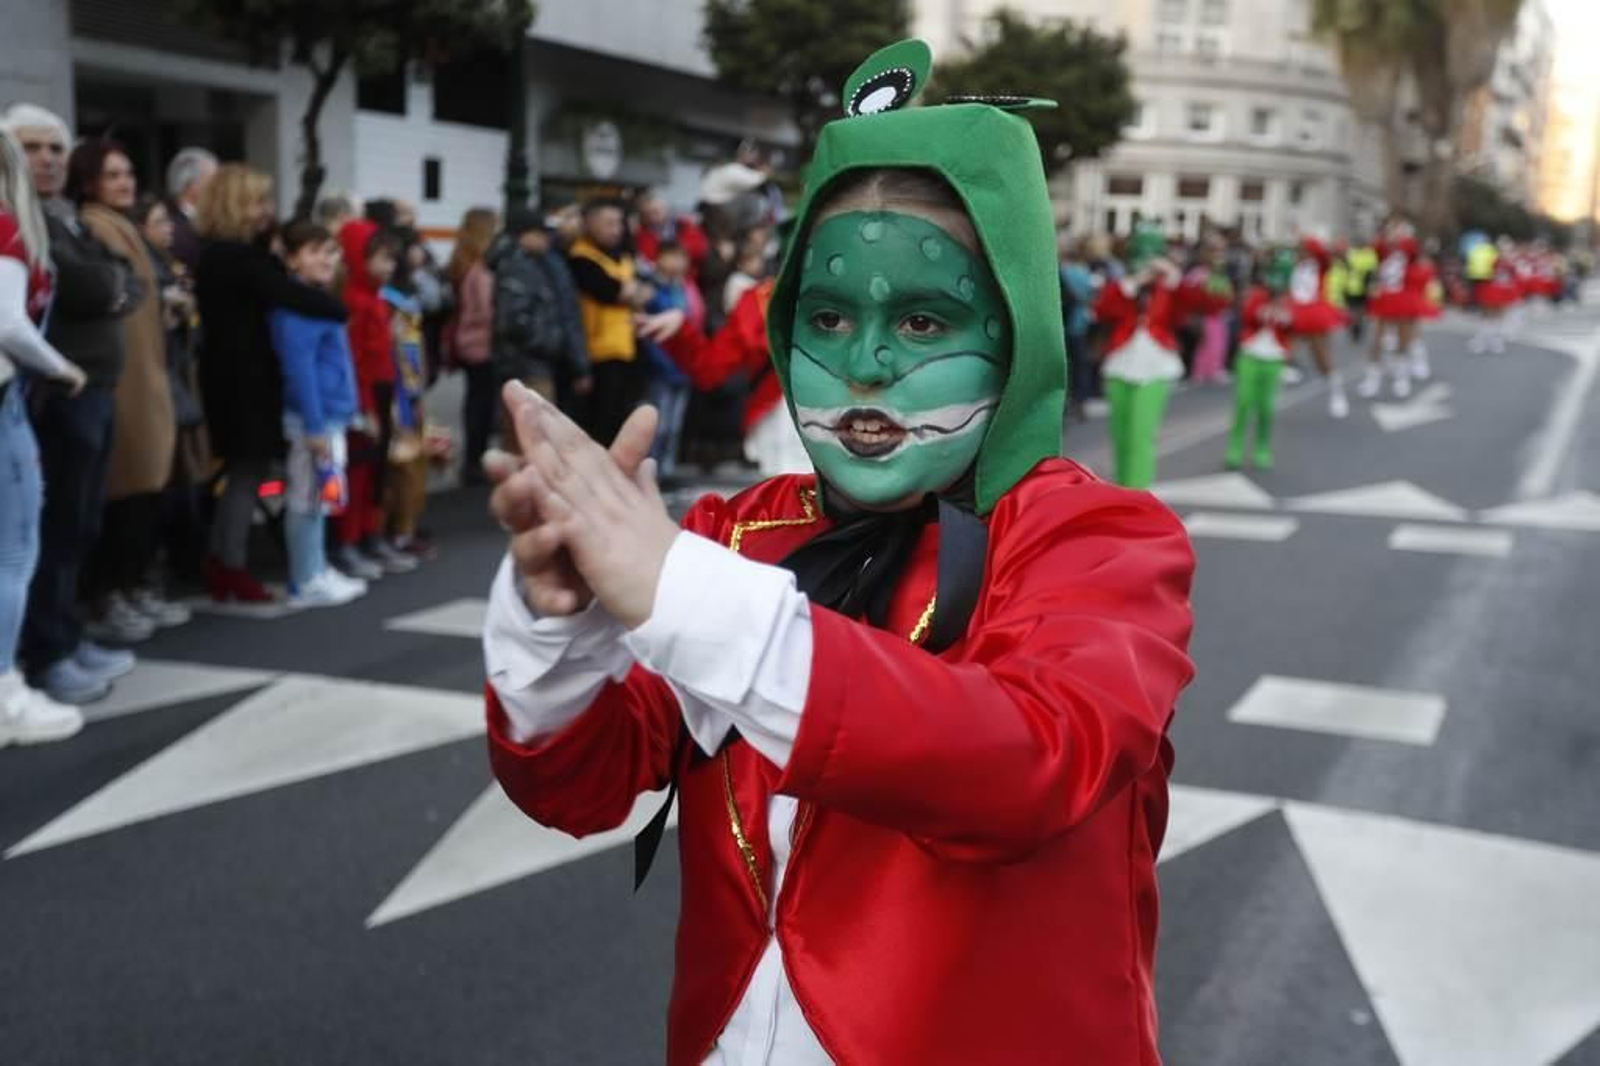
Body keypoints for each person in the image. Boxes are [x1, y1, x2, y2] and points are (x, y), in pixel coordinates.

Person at [483, 39, 1194, 1064]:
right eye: (826, 315)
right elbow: (579, 785)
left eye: (923, 319)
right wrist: (559, 622)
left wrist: (691, 598)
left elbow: (1032, 764)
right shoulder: (741, 532)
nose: (865, 363)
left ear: (1018, 332)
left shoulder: (1099, 542)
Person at [3, 104, 142, 705]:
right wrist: (109, 287)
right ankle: (45, 652)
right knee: (47, 529)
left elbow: (127, 279)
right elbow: (88, 285)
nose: (46, 159)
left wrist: (112, 285)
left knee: (77, 523)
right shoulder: (19, 218)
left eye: (56, 148)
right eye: (31, 147)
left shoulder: (64, 217)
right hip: (49, 394)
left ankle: (65, 634)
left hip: (89, 388)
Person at [194, 164, 349, 602]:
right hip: (246, 383)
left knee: (245, 474)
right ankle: (230, 563)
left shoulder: (217, 255)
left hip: (230, 377)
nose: (267, 210)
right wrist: (339, 309)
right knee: (248, 475)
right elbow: (291, 295)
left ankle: (224, 560)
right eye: (259, 201)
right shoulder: (242, 260)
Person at [70, 140, 185, 642]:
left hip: (145, 373)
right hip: (125, 379)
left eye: (129, 173)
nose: (125, 183)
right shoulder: (96, 225)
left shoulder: (121, 226)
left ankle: (131, 586)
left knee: (142, 495)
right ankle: (111, 594)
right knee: (124, 496)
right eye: (112, 174)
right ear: (89, 180)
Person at [0, 127, 91, 745]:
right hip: (4, 399)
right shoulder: (6, 226)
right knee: (14, 551)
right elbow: (8, 321)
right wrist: (62, 367)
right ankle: (5, 693)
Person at [268, 221, 367, 608]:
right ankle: (305, 579)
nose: (326, 259)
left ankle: (316, 568)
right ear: (292, 260)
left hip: (326, 415)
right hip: (314, 419)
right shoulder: (298, 308)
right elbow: (300, 370)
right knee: (307, 498)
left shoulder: (313, 301)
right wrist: (314, 425)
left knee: (320, 498)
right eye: (314, 252)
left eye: (329, 252)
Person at [333, 219, 414, 580]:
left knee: (375, 473)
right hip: (362, 397)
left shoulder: (376, 299)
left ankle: (369, 533)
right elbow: (356, 361)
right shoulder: (354, 301)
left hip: (381, 390)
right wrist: (365, 407)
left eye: (391, 259)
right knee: (359, 472)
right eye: (381, 259)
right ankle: (348, 540)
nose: (389, 266)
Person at [1092, 222, 1185, 489]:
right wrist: (1133, 281)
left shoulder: (1170, 286)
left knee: (1141, 435)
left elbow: (1193, 307)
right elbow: (1101, 310)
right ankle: (1123, 492)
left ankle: (1138, 496)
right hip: (1120, 365)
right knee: (1121, 436)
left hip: (1156, 366)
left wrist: (1173, 277)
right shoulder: (1121, 285)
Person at [567, 199, 652, 444]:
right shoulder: (581, 258)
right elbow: (613, 291)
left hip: (626, 348)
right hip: (597, 352)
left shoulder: (622, 256)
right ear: (589, 223)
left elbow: (646, 292)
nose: (616, 229)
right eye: (609, 223)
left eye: (618, 223)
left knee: (622, 423)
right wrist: (630, 291)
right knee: (599, 426)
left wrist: (631, 292)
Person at [444, 206, 499, 483]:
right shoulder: (480, 267)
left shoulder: (462, 262)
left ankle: (473, 458)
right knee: (481, 404)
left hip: (466, 340)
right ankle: (475, 460)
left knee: (475, 400)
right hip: (481, 343)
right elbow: (486, 309)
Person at [1225, 253, 1294, 470]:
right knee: (1243, 403)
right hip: (1250, 354)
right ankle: (1234, 448)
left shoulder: (1291, 299)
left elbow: (1296, 326)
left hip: (1274, 358)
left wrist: (1284, 313)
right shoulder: (1257, 294)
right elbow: (1247, 315)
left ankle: (1261, 448)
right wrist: (1265, 306)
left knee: (1266, 408)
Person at [1283, 236, 1350, 418]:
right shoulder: (1294, 265)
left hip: (1314, 314)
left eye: (1304, 249)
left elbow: (1329, 255)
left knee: (1321, 357)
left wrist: (1313, 243)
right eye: (1299, 249)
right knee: (1282, 349)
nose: (1300, 253)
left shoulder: (1319, 264)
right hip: (1294, 312)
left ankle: (1336, 392)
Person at [163, 146, 217, 276]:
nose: (218, 187)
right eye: (213, 180)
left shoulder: (211, 221)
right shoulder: (171, 227)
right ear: (192, 184)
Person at [1058, 233, 1096, 419]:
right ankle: (1080, 400)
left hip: (1061, 324)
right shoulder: (1084, 272)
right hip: (1079, 323)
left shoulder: (1059, 271)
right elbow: (1092, 296)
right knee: (1080, 363)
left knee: (1063, 364)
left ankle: (1063, 400)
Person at [633, 189, 709, 279]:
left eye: (655, 212)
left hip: (689, 278)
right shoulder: (640, 236)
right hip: (659, 280)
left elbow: (701, 249)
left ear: (665, 209)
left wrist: (679, 257)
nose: (652, 218)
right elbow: (645, 261)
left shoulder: (685, 226)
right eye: (646, 214)